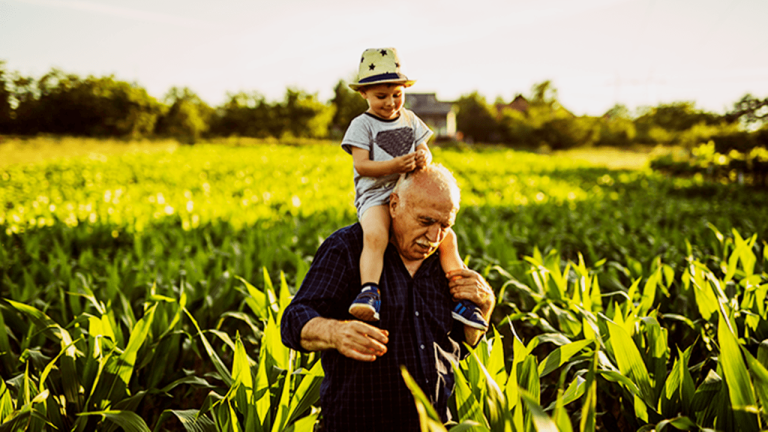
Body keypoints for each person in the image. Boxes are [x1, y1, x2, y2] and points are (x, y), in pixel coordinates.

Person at [281, 165, 496, 431]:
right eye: (426, 221)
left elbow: (460, 347)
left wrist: (484, 307)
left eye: (445, 225)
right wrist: (336, 332)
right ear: (394, 205)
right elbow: (293, 321)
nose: (434, 237)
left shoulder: (448, 266)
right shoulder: (348, 248)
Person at [341, 47, 487, 330]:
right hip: (376, 196)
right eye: (381, 96)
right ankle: (369, 291)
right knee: (375, 234)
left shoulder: (410, 119)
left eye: (397, 94)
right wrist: (396, 164)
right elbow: (362, 166)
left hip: (408, 192)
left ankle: (463, 302)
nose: (390, 102)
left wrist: (423, 157)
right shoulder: (362, 125)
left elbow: (425, 151)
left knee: (448, 239)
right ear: (364, 94)